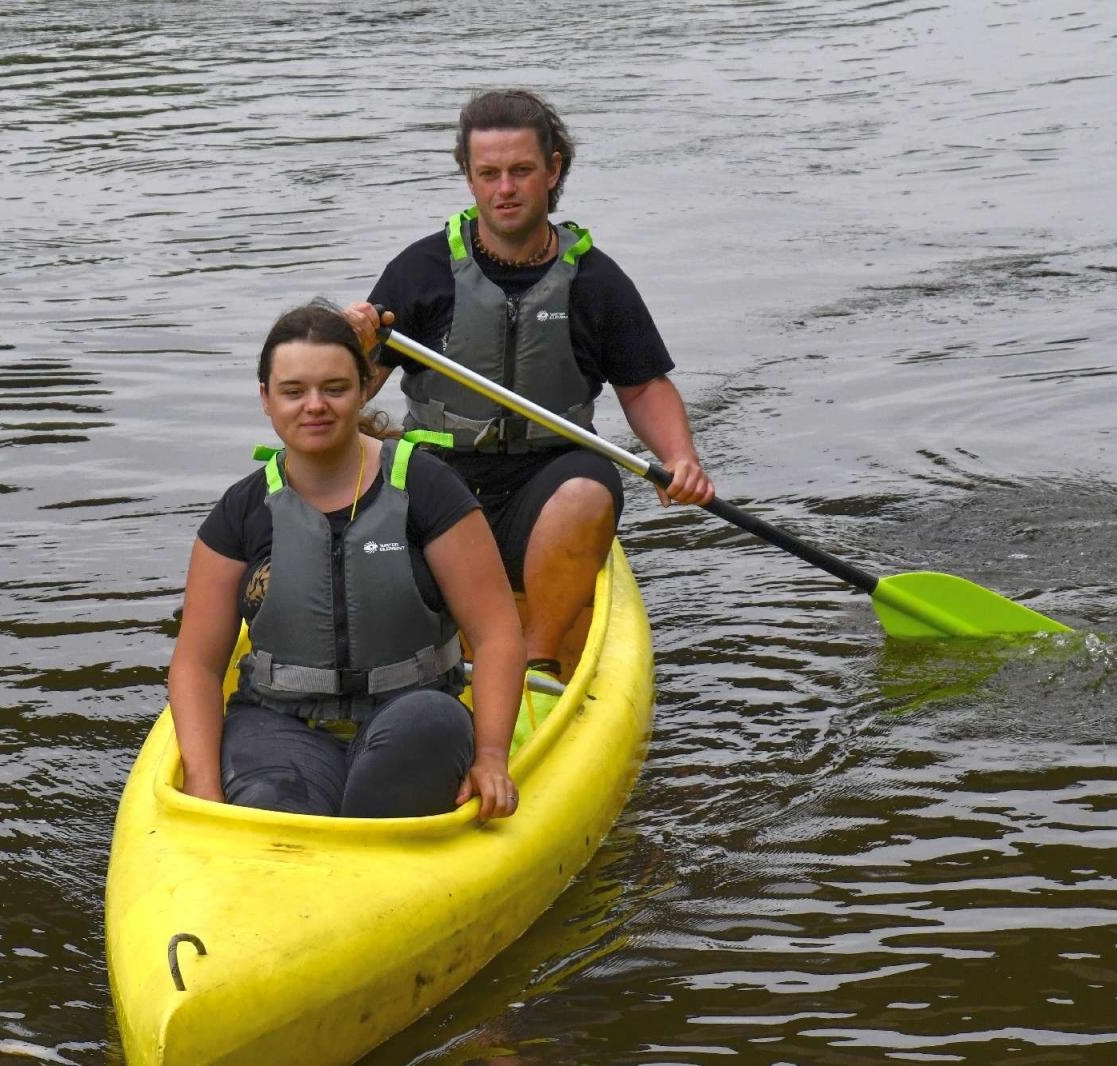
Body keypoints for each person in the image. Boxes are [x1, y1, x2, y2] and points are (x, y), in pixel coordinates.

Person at [349, 88, 715, 691]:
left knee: (585, 498)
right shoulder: (420, 271)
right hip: (439, 472)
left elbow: (644, 386)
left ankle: (537, 666)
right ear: (468, 179)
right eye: (488, 173)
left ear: (553, 170)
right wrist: (352, 344)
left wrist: (681, 459)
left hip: (549, 472)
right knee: (360, 515)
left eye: (521, 171)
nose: (505, 188)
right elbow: (352, 391)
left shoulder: (596, 281)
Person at [166, 301, 524, 821]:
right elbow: (197, 664)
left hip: (410, 713)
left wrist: (491, 756)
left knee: (424, 729)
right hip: (279, 724)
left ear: (362, 389)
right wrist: (203, 782)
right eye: (293, 391)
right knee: (270, 805)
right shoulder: (241, 511)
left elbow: (496, 634)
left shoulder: (426, 488)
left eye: (334, 388)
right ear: (266, 399)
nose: (315, 405)